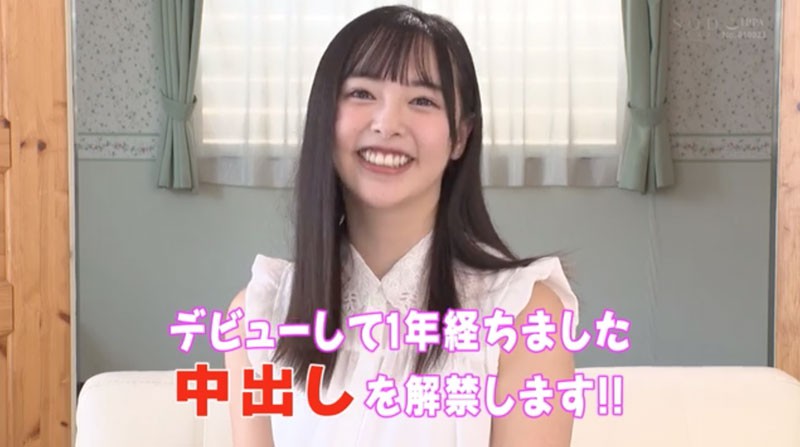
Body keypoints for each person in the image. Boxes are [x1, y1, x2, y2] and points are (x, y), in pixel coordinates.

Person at [225, 5, 579, 446]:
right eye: (361, 93)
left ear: (460, 136)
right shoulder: (259, 313)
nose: (388, 124)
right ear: (324, 117)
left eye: (422, 101)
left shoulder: (524, 314)